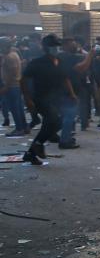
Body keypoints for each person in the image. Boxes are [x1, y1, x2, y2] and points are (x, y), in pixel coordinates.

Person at [21, 35, 73, 165]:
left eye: (57, 46)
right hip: (40, 97)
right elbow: (23, 80)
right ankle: (37, 145)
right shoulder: (36, 62)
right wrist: (27, 99)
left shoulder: (59, 61)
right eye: (52, 46)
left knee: (57, 123)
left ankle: (31, 153)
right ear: (46, 48)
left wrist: (72, 93)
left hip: (56, 97)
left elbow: (65, 78)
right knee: (53, 120)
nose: (55, 49)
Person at [57, 37, 94, 148]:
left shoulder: (62, 56)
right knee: (69, 116)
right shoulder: (66, 57)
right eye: (72, 44)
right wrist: (90, 56)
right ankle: (64, 141)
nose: (75, 46)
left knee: (66, 116)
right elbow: (81, 67)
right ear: (65, 45)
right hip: (68, 91)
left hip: (65, 91)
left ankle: (65, 136)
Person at [0, 39, 28, 137]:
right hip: (15, 85)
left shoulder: (9, 57)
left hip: (11, 86)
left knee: (14, 108)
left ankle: (19, 128)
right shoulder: (14, 54)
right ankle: (24, 127)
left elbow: (12, 73)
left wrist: (6, 87)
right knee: (19, 107)